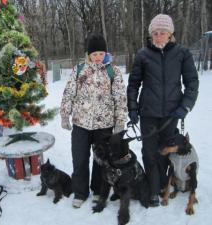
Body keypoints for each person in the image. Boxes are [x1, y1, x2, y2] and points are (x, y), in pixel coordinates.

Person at [127, 14, 199, 206]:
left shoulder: (182, 53)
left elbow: (192, 82)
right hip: (148, 113)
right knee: (149, 152)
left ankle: (162, 186)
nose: (158, 36)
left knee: (166, 152)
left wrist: (185, 105)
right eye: (155, 33)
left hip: (172, 114)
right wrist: (133, 108)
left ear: (170, 34)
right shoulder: (143, 55)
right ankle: (152, 190)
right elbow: (133, 84)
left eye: (162, 33)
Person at [60, 33, 127, 208]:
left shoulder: (113, 71)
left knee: (101, 161)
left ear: (106, 53)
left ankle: (98, 190)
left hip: (104, 125)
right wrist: (64, 115)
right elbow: (69, 93)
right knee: (79, 158)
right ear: (88, 54)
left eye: (101, 53)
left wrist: (120, 121)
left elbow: (120, 98)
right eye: (94, 54)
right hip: (81, 124)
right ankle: (81, 192)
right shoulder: (79, 69)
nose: (98, 57)